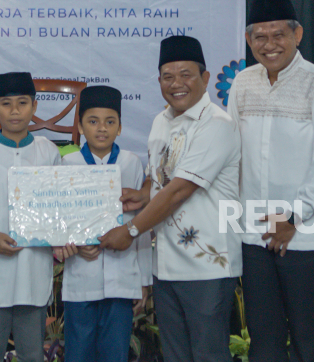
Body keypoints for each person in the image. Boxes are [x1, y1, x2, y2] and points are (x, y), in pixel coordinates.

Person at [99, 35, 242, 362]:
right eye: (167, 76)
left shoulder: (217, 124)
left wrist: (131, 230)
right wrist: (141, 195)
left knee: (208, 355)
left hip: (207, 267)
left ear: (205, 79)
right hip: (167, 265)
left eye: (186, 74)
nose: (177, 84)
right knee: (176, 356)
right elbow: (162, 178)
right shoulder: (161, 121)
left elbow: (179, 190)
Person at [226, 0, 314, 362]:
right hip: (254, 236)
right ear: (249, 41)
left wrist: (293, 217)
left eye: (278, 35)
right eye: (260, 37)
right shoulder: (242, 84)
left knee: (308, 344)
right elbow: (231, 151)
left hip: (308, 238)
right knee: (263, 343)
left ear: (297, 34)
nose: (269, 44)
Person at [0, 72, 60, 362]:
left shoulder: (48, 151)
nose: (14, 111)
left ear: (35, 106)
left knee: (32, 353)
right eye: (6, 103)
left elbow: (59, 208)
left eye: (22, 103)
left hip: (34, 271)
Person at [54, 85, 152, 362]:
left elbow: (140, 222)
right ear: (80, 125)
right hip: (80, 279)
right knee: (78, 352)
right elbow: (59, 219)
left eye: (110, 122)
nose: (102, 129)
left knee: (115, 353)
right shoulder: (67, 164)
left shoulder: (131, 163)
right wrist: (71, 244)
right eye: (93, 121)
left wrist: (142, 281)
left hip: (122, 279)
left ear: (120, 127)